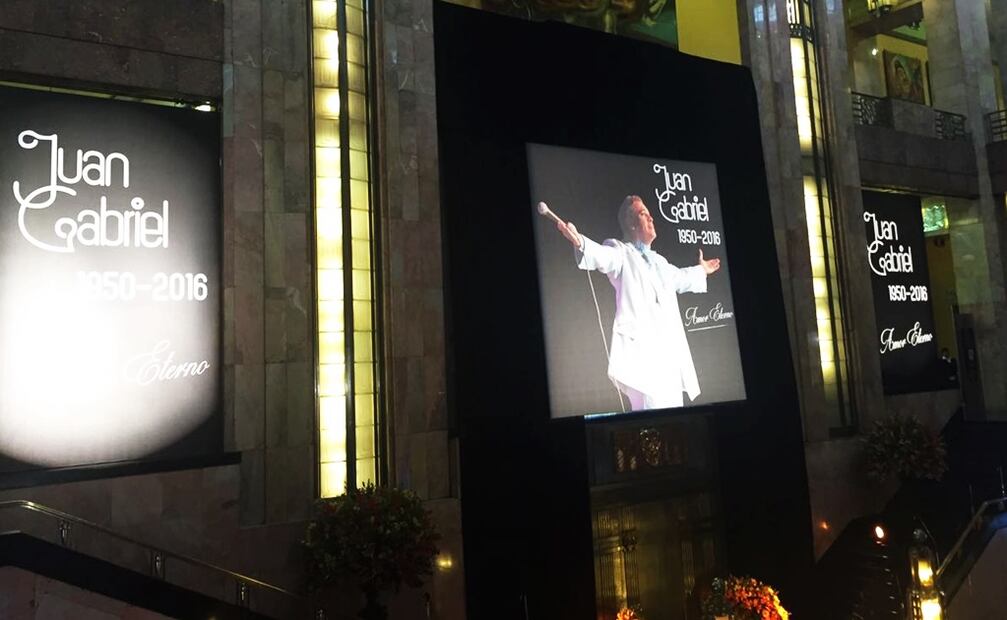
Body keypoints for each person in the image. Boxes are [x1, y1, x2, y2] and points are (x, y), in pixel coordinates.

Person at [555, 195, 721, 411]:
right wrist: (581, 242)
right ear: (632, 224)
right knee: (650, 420)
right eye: (644, 214)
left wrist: (702, 270)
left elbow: (680, 277)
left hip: (669, 361)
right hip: (643, 361)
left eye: (650, 214)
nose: (651, 218)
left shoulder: (660, 262)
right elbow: (604, 257)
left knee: (675, 423)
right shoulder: (621, 252)